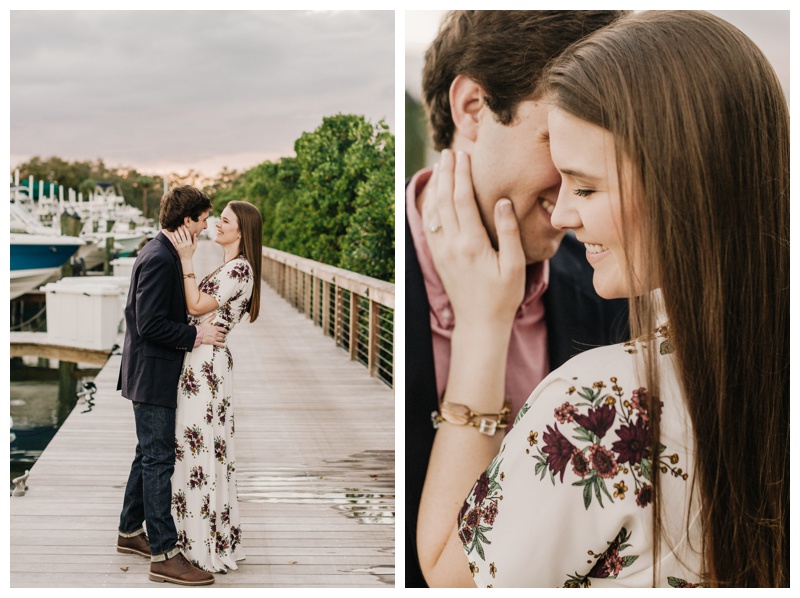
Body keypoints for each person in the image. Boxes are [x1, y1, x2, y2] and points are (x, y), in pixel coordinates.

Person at [417, 10, 788, 587]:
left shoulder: (613, 308)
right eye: (552, 144)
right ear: (472, 109)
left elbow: (451, 575)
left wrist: (479, 330)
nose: (568, 212)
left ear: (676, 174)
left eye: (585, 182)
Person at [405, 10, 629, 587]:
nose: (581, 187)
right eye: (561, 139)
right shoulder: (382, 271)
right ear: (473, 108)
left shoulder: (614, 283)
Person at [116, 185, 226, 586]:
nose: (207, 224)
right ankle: (165, 553)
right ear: (187, 221)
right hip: (153, 372)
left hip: (148, 370)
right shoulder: (162, 259)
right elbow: (149, 324)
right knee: (159, 460)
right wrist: (197, 334)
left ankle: (129, 531)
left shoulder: (157, 250)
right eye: (203, 218)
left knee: (146, 453)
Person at [166, 200, 263, 573]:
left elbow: (195, 303)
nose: (217, 225)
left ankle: (201, 542)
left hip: (206, 367)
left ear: (241, 231)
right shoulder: (230, 266)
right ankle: (197, 533)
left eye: (225, 221)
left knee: (200, 449)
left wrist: (186, 258)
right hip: (203, 363)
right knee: (199, 447)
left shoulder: (239, 269)